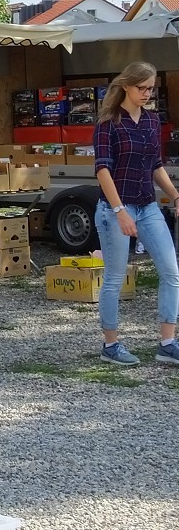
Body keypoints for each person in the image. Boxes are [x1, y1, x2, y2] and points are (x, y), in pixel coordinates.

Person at [92, 61, 179, 366]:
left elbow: (155, 165)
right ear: (126, 86)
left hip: (148, 205)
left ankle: (167, 342)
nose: (146, 93)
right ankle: (111, 345)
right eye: (141, 87)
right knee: (115, 277)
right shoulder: (108, 122)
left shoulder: (153, 121)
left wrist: (175, 194)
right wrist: (119, 211)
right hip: (115, 207)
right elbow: (102, 169)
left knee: (171, 271)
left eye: (150, 88)